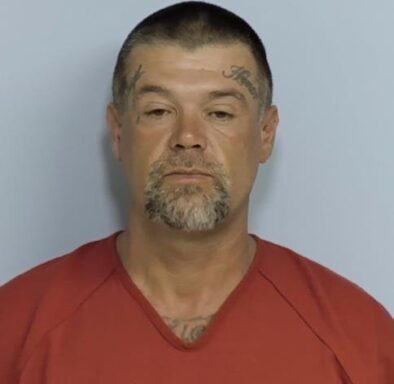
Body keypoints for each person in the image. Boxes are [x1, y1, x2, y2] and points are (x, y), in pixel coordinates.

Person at [0, 1, 393, 383]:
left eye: (220, 113)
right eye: (158, 111)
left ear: (265, 134)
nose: (187, 137)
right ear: (118, 132)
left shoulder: (362, 338)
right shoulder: (15, 329)